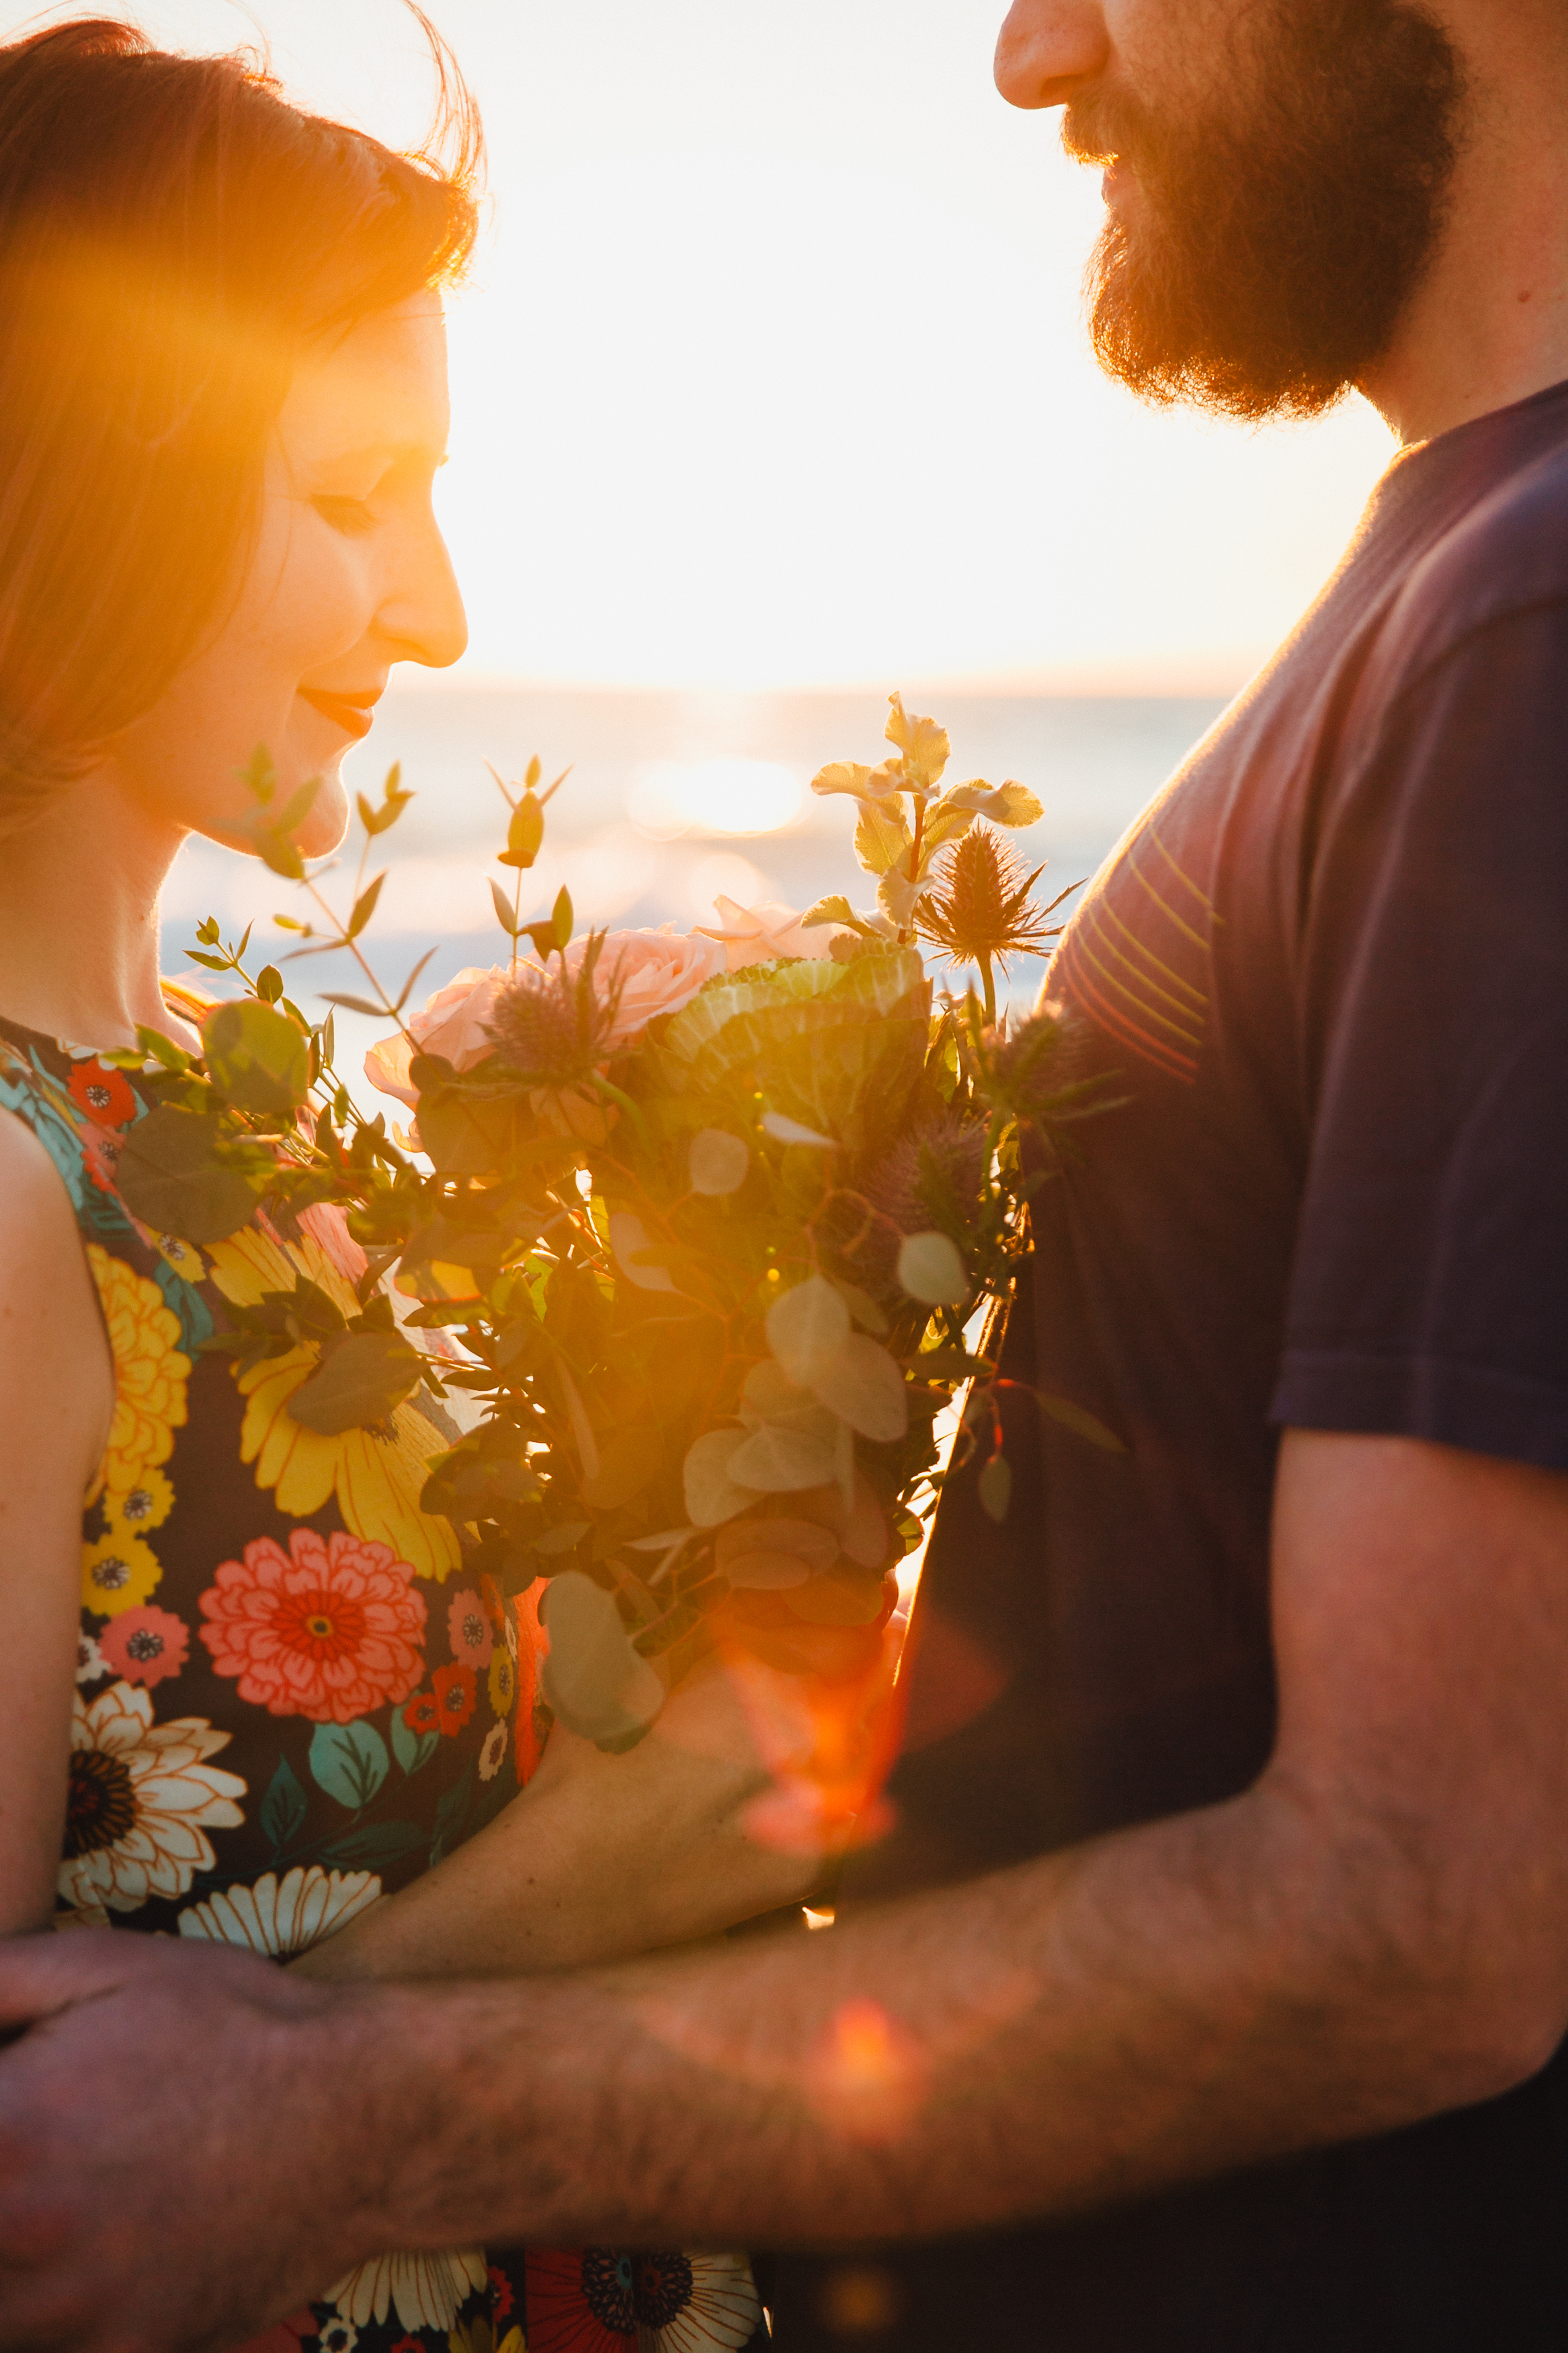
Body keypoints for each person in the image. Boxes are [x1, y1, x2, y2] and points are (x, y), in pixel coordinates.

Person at [5, 0, 1568, 2345]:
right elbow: (79, 2134)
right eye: (349, 496)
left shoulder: (1497, 628)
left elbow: (1432, 1898)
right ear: (99, 464)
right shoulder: (70, 1180)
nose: (1031, 51)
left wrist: (351, 2076)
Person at [0, 17, 813, 2353]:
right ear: (98, 462)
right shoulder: (12, 1191)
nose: (438, 611)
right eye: (353, 494)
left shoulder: (239, 1121)